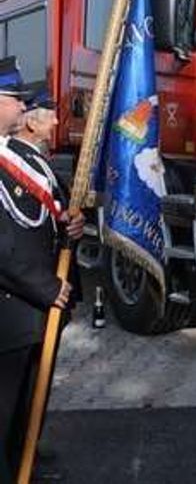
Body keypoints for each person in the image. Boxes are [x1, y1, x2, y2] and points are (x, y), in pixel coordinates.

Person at [0, 63, 83, 483]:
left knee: (25, 405)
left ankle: (22, 465)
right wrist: (47, 286)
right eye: (15, 99)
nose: (22, 106)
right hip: (11, 307)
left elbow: (36, 221)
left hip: (33, 304)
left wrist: (70, 226)